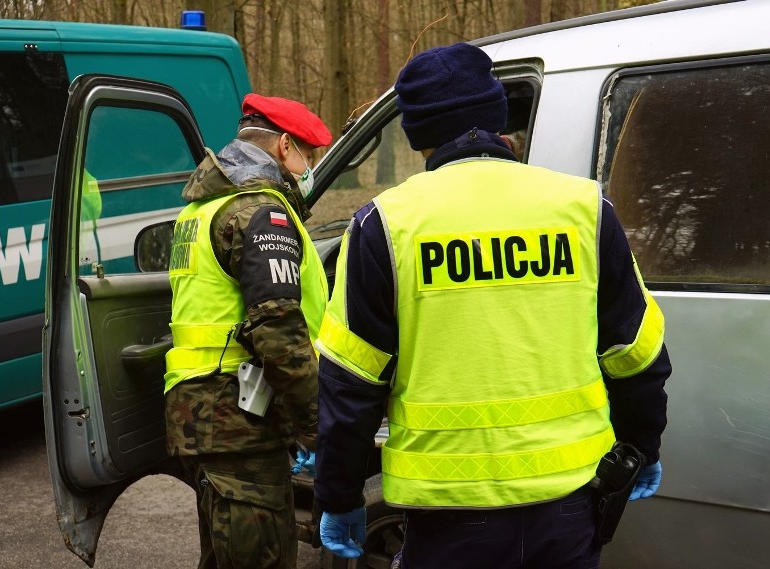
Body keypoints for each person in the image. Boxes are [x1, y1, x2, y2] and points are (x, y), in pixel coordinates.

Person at [313, 43, 671, 569]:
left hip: (448, 515)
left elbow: (351, 383)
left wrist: (339, 495)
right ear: (498, 115)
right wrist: (643, 445)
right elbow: (635, 352)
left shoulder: (385, 224)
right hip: (570, 504)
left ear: (417, 135)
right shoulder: (584, 209)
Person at [163, 93, 332, 569]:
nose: (308, 167)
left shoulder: (199, 210)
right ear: (284, 146)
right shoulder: (260, 212)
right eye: (308, 156)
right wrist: (319, 427)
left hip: (205, 417)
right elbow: (278, 330)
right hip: (238, 422)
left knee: (224, 555)